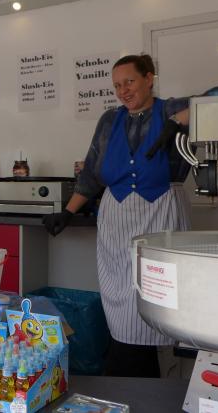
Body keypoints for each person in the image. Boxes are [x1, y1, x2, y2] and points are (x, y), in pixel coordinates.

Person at [42, 53, 191, 378]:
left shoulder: (169, 108)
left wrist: (179, 120)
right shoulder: (109, 121)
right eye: (117, 85)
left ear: (149, 78)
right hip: (117, 220)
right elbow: (92, 174)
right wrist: (67, 212)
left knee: (158, 292)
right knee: (120, 296)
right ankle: (131, 370)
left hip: (161, 215)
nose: (123, 91)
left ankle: (153, 373)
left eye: (130, 82)